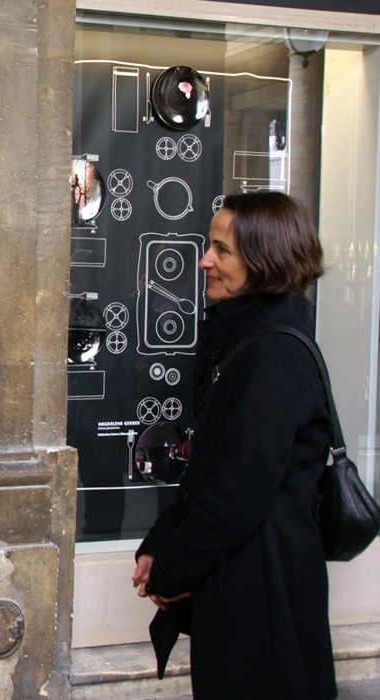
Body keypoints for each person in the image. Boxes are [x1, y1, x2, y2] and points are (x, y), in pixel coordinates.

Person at [132, 191, 336, 699]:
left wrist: (174, 568)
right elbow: (213, 460)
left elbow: (239, 491)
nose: (205, 261)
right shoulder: (244, 337)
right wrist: (163, 541)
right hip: (240, 578)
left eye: (222, 250)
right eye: (209, 246)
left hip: (265, 589)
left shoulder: (275, 356)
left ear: (265, 260)